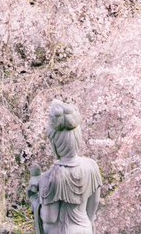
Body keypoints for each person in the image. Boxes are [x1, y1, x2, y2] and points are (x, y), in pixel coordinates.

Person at [28, 100, 103, 234]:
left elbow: (50, 218)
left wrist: (34, 199)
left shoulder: (51, 177)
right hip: (85, 229)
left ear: (54, 144)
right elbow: (94, 205)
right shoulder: (92, 166)